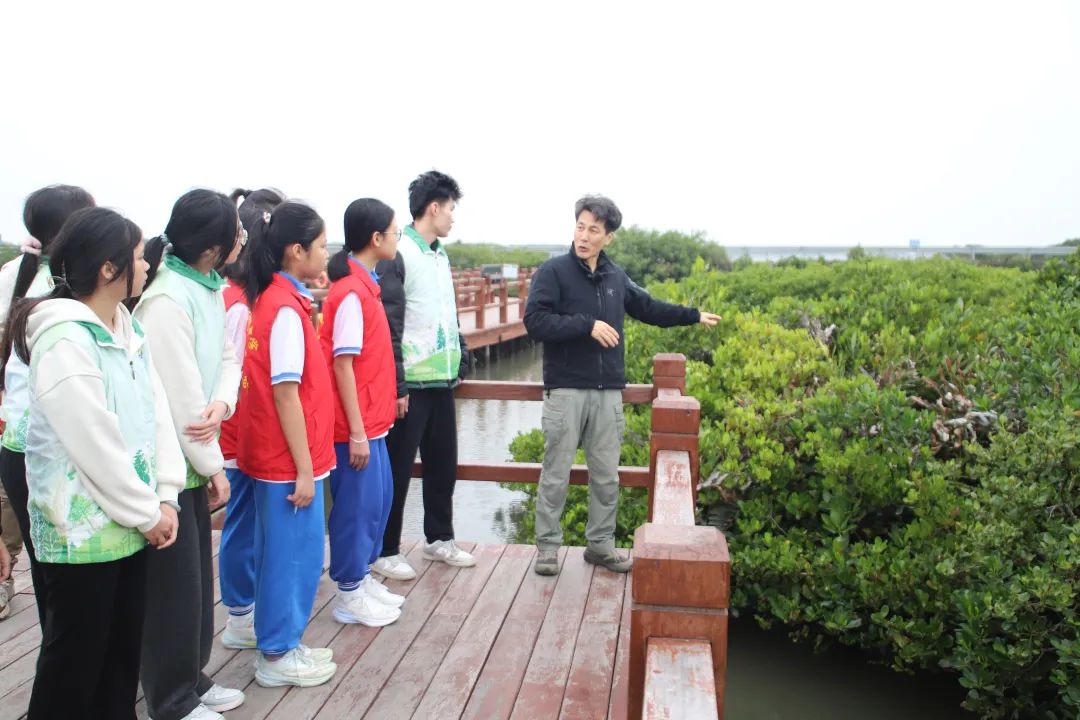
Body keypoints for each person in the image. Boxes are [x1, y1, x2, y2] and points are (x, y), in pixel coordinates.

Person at [2, 207, 185, 718]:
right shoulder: (64, 338)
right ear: (108, 269)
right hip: (80, 537)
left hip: (132, 524)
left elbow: (157, 414)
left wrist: (166, 493)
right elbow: (92, 443)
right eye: (137, 257)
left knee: (119, 659)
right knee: (73, 666)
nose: (146, 265)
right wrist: (148, 512)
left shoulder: (127, 328)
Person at [523, 195, 720, 576]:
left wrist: (692, 315)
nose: (584, 236)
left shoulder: (615, 276)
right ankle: (547, 549)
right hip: (566, 390)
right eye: (580, 227)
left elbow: (649, 308)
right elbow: (535, 322)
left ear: (608, 237)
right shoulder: (553, 271)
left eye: (593, 230)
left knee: (606, 477)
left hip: (608, 392)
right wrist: (586, 325)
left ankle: (600, 546)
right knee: (556, 473)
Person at [133, 189, 246, 719]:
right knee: (172, 592)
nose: (243, 238)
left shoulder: (207, 286)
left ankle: (192, 678)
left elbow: (227, 358)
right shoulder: (167, 298)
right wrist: (214, 467)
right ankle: (171, 698)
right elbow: (179, 401)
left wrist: (223, 402)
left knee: (197, 584)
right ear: (212, 247)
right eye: (236, 232)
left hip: (196, 456)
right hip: (171, 469)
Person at [236, 200, 337, 688]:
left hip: (275, 454)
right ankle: (276, 654)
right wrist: (303, 468)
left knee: (281, 552)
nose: (326, 253)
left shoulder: (275, 299)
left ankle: (282, 643)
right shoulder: (285, 310)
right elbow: (285, 391)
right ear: (297, 250)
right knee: (291, 558)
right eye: (321, 245)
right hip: (287, 460)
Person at [373, 170, 475, 581]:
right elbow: (389, 323)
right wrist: (397, 385)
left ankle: (439, 538)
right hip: (410, 386)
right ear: (433, 208)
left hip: (442, 381)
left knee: (442, 465)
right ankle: (385, 549)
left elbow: (445, 313)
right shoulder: (399, 253)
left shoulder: (439, 254)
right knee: (397, 470)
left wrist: (461, 355)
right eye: (450, 209)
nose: (453, 217)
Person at [0, 184, 95, 623]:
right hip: (55, 446)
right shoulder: (73, 285)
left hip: (17, 444)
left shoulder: (14, 274)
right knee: (71, 570)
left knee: (47, 571)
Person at [319, 198, 404, 627]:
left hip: (374, 421)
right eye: (394, 232)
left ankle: (363, 577)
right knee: (355, 509)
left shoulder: (365, 285)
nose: (396, 239)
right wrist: (355, 431)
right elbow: (342, 364)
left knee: (377, 502)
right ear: (375, 238)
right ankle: (349, 591)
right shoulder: (351, 292)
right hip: (355, 425)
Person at [218, 186, 286, 651]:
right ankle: (239, 612)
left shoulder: (244, 297)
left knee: (250, 521)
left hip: (250, 432)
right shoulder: (238, 304)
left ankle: (247, 606)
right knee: (242, 522)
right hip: (237, 435)